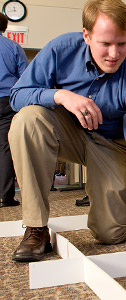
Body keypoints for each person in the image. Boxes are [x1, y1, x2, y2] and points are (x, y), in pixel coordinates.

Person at [9, 0, 126, 262]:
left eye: (122, 44)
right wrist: (60, 95)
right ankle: (36, 228)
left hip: (110, 143)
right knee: (27, 120)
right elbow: (17, 96)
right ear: (86, 35)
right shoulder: (60, 49)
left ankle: (121, 202)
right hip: (67, 129)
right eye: (105, 44)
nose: (114, 54)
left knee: (112, 233)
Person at [0, 13, 27, 208]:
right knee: (5, 148)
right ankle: (5, 196)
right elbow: (25, 78)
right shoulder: (13, 47)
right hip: (7, 101)